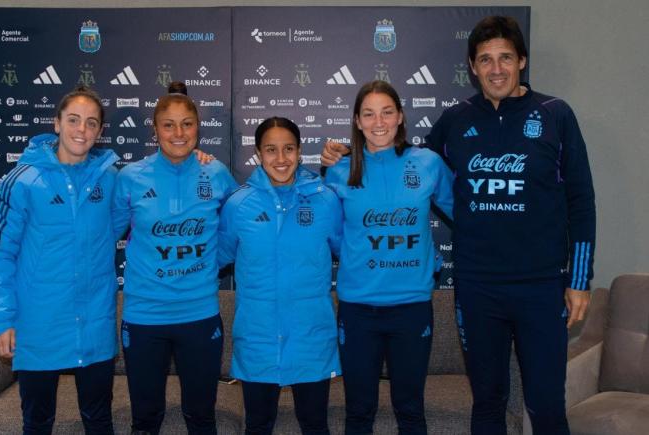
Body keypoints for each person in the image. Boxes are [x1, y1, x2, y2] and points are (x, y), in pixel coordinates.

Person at [323, 16, 596, 435]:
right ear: (472, 67)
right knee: (487, 402)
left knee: (545, 405)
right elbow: (399, 165)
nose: (496, 68)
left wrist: (579, 280)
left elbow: (581, 200)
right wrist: (348, 155)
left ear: (522, 60)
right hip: (477, 286)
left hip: (541, 285)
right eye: (485, 60)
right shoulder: (455, 121)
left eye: (505, 57)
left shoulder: (555, 115)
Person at [0, 86, 119, 434]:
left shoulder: (112, 179)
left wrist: (197, 159)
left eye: (91, 123)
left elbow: (146, 204)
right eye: (73, 120)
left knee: (100, 420)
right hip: (39, 324)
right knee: (38, 422)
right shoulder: (23, 180)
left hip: (94, 324)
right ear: (56, 123)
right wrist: (1, 320)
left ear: (100, 132)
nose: (81, 130)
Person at [324, 80, 454, 435]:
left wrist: (431, 263)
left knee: (410, 409)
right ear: (357, 120)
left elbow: (467, 215)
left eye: (386, 112)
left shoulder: (427, 163)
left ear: (400, 117)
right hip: (358, 309)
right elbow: (333, 237)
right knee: (359, 411)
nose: (378, 122)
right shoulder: (339, 170)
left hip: (411, 308)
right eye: (368, 114)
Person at [112, 92, 237, 435]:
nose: (178, 133)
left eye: (186, 124)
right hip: (144, 317)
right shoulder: (131, 177)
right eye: (168, 125)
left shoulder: (216, 172)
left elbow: (240, 224)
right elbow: (103, 237)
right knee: (146, 420)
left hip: (199, 315)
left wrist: (212, 263)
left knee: (201, 418)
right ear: (155, 130)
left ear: (198, 128)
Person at [218, 117, 343, 435]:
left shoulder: (326, 200)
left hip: (311, 336)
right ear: (258, 153)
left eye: (289, 148)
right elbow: (215, 259)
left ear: (300, 151)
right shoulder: (238, 205)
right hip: (258, 338)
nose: (281, 158)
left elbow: (353, 254)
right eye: (271, 150)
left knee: (315, 425)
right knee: (258, 426)